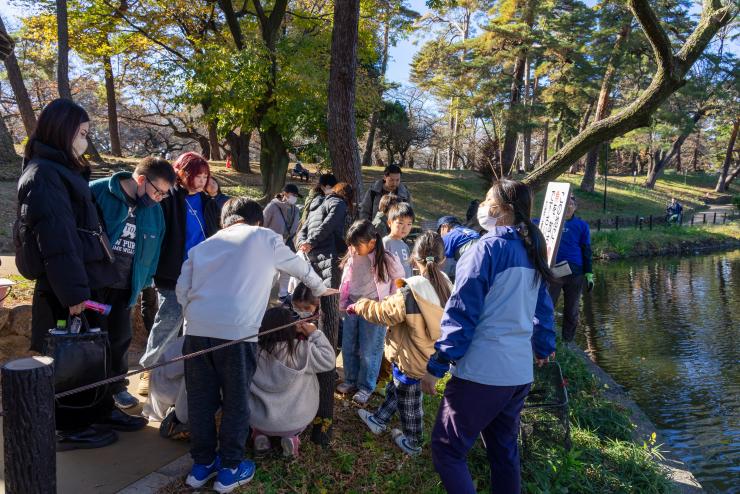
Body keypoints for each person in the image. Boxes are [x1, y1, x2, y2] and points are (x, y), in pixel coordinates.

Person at [176, 197, 336, 492]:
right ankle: (230, 469)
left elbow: (181, 290)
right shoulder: (263, 237)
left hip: (197, 332)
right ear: (257, 220)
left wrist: (196, 318)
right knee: (236, 400)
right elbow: (298, 266)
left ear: (225, 221)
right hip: (238, 333)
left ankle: (201, 467)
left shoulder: (201, 248)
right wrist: (319, 287)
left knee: (200, 400)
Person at [15, 98, 144, 450]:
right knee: (69, 358)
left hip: (86, 279)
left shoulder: (61, 172)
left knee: (93, 353)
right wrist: (74, 295)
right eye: (83, 133)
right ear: (63, 132)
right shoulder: (44, 175)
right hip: (66, 288)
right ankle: (70, 425)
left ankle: (98, 409)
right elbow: (57, 241)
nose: (87, 140)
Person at [422, 179, 556, 494]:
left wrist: (438, 364)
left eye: (486, 200)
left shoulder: (486, 249)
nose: (482, 206)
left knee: (447, 449)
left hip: (483, 373)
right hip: (518, 373)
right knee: (504, 452)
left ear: (504, 210)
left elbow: (462, 312)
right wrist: (544, 346)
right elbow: (544, 309)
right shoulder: (531, 249)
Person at [350, 232, 452, 456]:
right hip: (430, 356)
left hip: (411, 359)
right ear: (442, 260)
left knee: (410, 404)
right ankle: (379, 419)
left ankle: (413, 441)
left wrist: (360, 305)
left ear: (414, 259)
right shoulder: (446, 285)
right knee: (395, 390)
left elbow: (383, 313)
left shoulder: (411, 291)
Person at [90, 156, 176, 409]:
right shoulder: (98, 192)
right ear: (141, 180)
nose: (159, 198)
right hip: (94, 286)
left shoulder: (155, 211)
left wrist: (144, 282)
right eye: (157, 191)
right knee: (92, 339)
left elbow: (155, 247)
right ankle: (89, 393)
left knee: (119, 339)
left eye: (164, 195)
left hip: (126, 287)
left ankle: (116, 388)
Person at [139, 152, 219, 369]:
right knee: (168, 321)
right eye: (197, 175)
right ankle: (150, 367)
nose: (203, 181)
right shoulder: (170, 196)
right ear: (182, 174)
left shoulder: (206, 200)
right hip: (172, 272)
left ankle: (180, 369)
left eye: (205, 176)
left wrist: (214, 195)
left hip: (201, 273)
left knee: (194, 324)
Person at [249, 306, 335, 457]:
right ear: (291, 328)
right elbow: (329, 359)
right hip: (296, 421)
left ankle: (260, 436)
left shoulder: (252, 352)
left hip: (258, 419)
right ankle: (291, 438)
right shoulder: (302, 349)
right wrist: (314, 333)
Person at [337, 220, 405, 405]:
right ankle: (350, 380)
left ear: (372, 242)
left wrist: (390, 304)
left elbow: (400, 283)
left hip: (374, 310)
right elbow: (346, 279)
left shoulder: (387, 258)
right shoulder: (353, 253)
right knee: (349, 345)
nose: (353, 248)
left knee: (369, 350)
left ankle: (366, 386)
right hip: (352, 305)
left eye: (357, 244)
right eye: (351, 244)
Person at [545, 194, 593, 342]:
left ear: (575, 207)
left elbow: (586, 250)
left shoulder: (582, 225)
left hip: (575, 273)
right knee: (547, 307)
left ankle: (567, 341)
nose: (568, 207)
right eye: (565, 204)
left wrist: (589, 273)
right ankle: (546, 340)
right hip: (553, 272)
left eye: (571, 204)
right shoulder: (549, 222)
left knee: (572, 310)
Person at [264, 184, 302, 302]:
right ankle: (263, 294)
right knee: (272, 272)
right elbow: (263, 224)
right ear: (285, 194)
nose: (294, 198)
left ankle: (283, 294)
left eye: (296, 196)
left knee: (286, 270)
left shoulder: (296, 209)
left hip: (288, 243)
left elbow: (296, 228)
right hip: (272, 243)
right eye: (293, 195)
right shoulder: (272, 206)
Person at [437, 215, 480, 280]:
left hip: (472, 270)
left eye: (439, 232)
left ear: (444, 227)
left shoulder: (448, 237)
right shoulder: (471, 231)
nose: (440, 235)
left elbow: (447, 267)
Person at [383, 202, 415, 278]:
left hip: (406, 286)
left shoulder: (405, 246)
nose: (405, 228)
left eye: (409, 224)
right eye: (400, 223)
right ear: (389, 223)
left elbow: (409, 268)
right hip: (392, 288)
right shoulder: (385, 243)